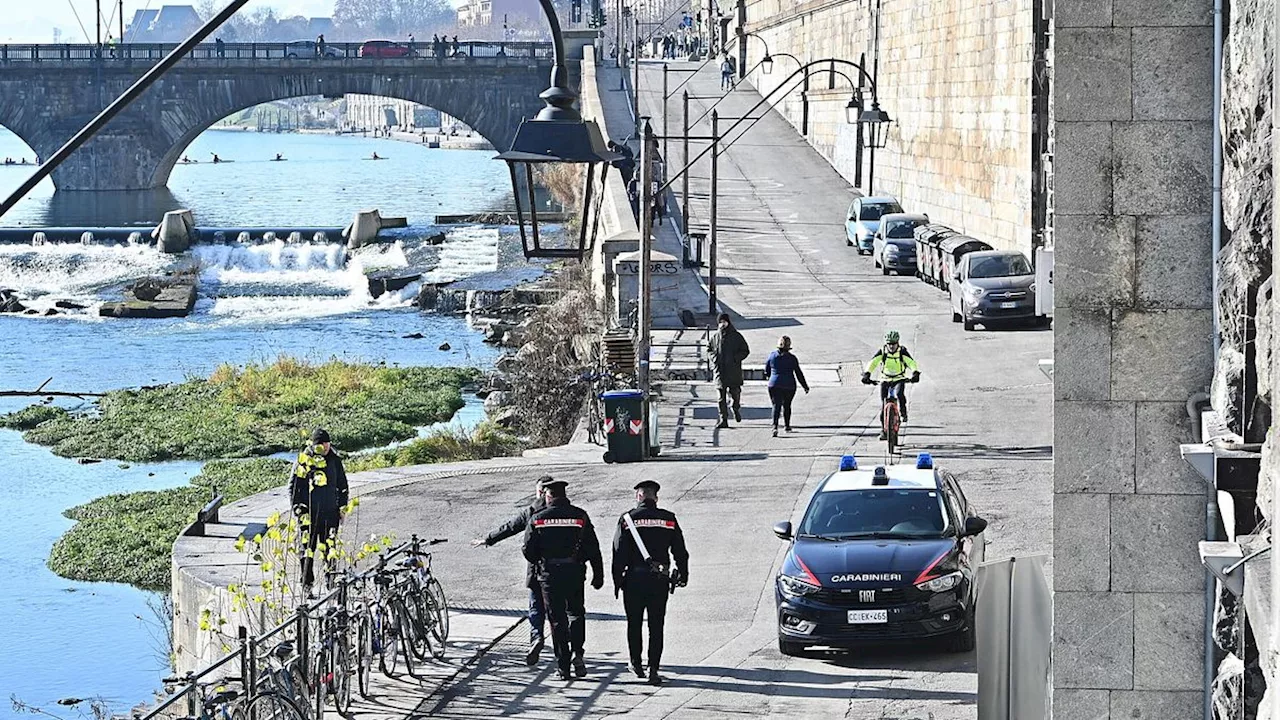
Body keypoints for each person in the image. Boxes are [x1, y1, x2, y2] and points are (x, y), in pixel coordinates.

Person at [522, 479, 603, 681]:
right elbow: (593, 546)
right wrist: (597, 574)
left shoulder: (538, 519)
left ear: (547, 496)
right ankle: (578, 654)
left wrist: (541, 561)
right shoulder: (580, 515)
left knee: (557, 620)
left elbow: (528, 550)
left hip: (549, 574)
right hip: (575, 571)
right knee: (576, 613)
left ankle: (563, 667)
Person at [612, 480, 688, 685]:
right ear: (656, 497)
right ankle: (653, 668)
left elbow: (618, 553)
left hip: (634, 580)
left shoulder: (627, 519)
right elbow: (680, 550)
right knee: (656, 625)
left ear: (638, 496)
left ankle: (635, 664)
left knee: (634, 623)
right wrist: (683, 574)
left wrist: (617, 581)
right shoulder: (668, 519)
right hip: (659, 579)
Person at [472, 476, 552, 665]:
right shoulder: (567, 512)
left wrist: (488, 539)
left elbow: (511, 527)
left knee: (535, 608)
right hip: (563, 570)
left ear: (539, 492)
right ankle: (566, 651)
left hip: (537, 568)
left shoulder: (532, 512)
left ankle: (536, 637)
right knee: (559, 611)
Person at [289, 428, 349, 591]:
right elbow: (293, 487)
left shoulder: (334, 460)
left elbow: (342, 486)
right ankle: (307, 583)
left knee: (330, 549)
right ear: (316, 445)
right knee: (307, 550)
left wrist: (342, 508)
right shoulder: (304, 460)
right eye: (323, 444)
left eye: (328, 444)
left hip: (330, 513)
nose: (327, 447)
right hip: (308, 514)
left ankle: (332, 581)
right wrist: (297, 508)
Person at [861, 330, 921, 432]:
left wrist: (915, 372)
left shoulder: (902, 351)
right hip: (885, 379)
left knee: (899, 394)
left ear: (898, 343)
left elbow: (911, 362)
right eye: (889, 344)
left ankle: (903, 411)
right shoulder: (883, 351)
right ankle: (884, 431)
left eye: (893, 344)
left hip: (899, 378)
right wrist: (867, 373)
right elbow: (873, 362)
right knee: (883, 405)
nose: (891, 346)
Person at [709, 313, 749, 428]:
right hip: (720, 372)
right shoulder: (715, 337)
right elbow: (709, 349)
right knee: (721, 398)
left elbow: (745, 350)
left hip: (733, 371)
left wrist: (735, 359)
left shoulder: (736, 336)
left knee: (735, 394)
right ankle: (723, 419)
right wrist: (713, 358)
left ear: (728, 322)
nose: (722, 324)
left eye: (724, 321)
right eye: (720, 322)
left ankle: (735, 408)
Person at [764, 335, 809, 437]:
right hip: (789, 385)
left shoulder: (772, 356)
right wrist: (805, 386)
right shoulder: (792, 358)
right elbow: (798, 373)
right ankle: (787, 425)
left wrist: (770, 377)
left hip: (774, 384)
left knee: (776, 405)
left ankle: (775, 426)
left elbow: (766, 371)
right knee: (787, 405)